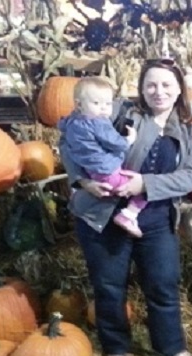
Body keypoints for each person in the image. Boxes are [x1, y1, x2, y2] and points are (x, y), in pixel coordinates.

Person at [59, 58, 192, 356]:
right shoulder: (119, 113)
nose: (158, 91)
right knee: (109, 285)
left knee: (163, 283)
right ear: (141, 88)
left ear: (180, 88)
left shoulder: (190, 131)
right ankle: (115, 347)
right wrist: (82, 181)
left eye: (166, 84)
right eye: (151, 84)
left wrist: (144, 184)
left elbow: (190, 176)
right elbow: (69, 138)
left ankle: (171, 345)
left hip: (155, 219)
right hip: (106, 214)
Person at [58, 76, 146, 238]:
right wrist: (129, 140)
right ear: (78, 104)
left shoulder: (72, 122)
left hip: (95, 171)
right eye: (96, 104)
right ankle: (129, 215)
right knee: (145, 191)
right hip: (108, 170)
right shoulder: (99, 122)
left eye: (107, 104)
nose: (104, 109)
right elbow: (115, 142)